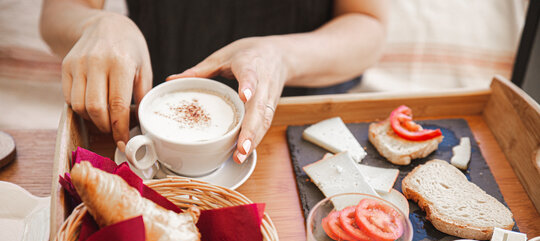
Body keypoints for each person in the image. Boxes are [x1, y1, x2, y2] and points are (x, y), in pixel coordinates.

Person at [40, 0, 388, 164]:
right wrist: (97, 24)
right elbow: (59, 12)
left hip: (302, 123)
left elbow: (367, 24)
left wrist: (282, 57)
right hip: (153, 114)